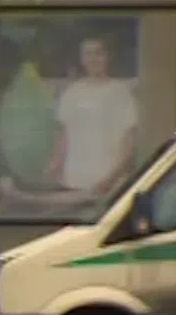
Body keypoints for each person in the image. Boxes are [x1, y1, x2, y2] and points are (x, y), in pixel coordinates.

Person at [49, 35, 138, 198]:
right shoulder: (71, 93)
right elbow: (63, 135)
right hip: (73, 182)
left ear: (107, 57)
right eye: (88, 54)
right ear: (82, 58)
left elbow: (129, 142)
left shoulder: (120, 93)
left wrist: (112, 178)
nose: (93, 59)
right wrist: (55, 165)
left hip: (108, 185)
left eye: (98, 53)